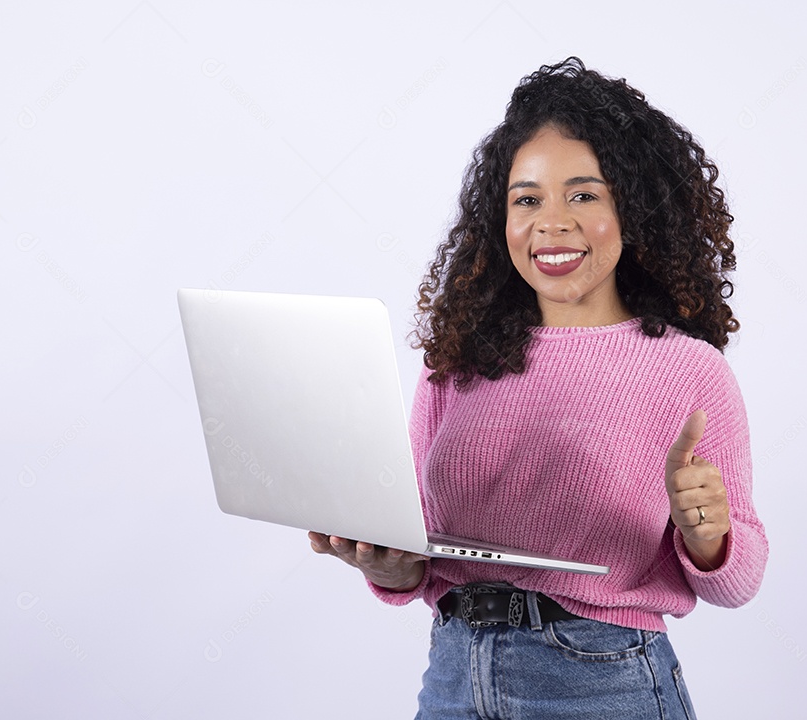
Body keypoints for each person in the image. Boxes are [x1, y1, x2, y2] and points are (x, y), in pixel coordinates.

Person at [309, 57, 768, 719]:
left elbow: (740, 579)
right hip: (454, 676)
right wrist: (386, 563)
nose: (551, 222)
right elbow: (422, 549)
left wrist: (709, 534)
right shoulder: (457, 362)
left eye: (583, 195)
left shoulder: (687, 370)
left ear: (632, 210)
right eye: (527, 200)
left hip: (601, 682)